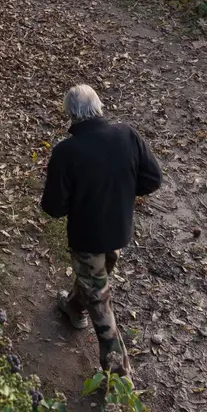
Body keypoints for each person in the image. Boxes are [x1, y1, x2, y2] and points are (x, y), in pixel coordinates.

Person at [41, 83, 163, 377]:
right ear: (99, 107)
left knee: (101, 302)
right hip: (119, 232)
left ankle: (120, 377)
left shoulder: (66, 152)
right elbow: (153, 178)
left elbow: (54, 207)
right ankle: (73, 307)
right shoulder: (127, 135)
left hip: (87, 238)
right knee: (95, 282)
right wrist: (123, 193)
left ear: (71, 115)